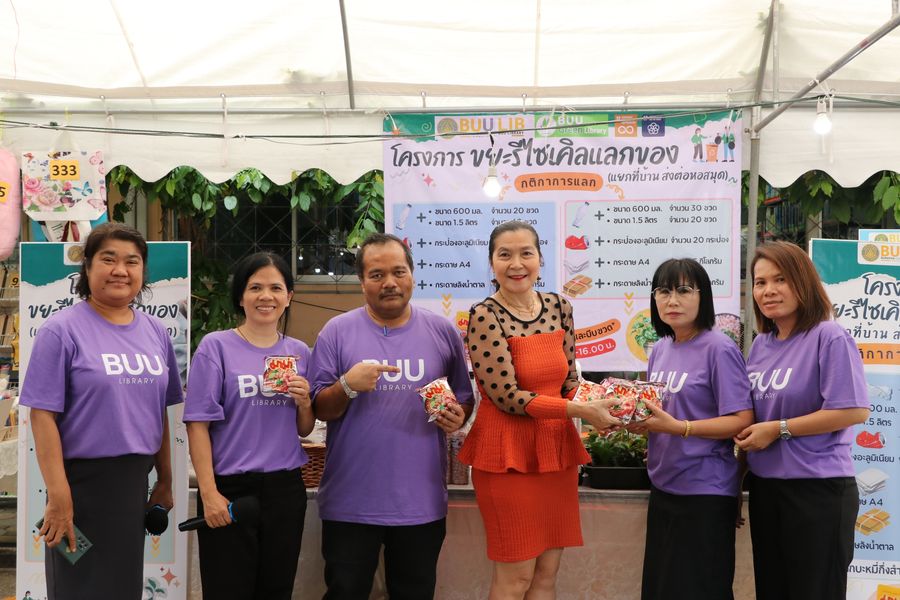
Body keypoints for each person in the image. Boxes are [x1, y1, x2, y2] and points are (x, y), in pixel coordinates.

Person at [458, 220, 621, 599]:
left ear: (540, 259)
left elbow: (569, 382)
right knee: (515, 579)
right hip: (508, 456)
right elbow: (507, 396)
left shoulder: (560, 307)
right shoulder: (485, 315)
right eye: (505, 255)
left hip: (555, 454)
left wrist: (607, 403)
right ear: (492, 263)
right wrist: (581, 411)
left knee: (546, 575)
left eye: (526, 253)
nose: (516, 264)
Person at [20, 223, 182, 599]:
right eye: (108, 259)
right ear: (88, 267)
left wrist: (165, 478)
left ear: (142, 271)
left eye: (132, 261)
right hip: (79, 489)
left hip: (132, 488)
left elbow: (158, 411)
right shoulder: (61, 331)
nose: (120, 270)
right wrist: (59, 497)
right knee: (80, 588)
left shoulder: (156, 332)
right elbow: (42, 416)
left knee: (122, 588)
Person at [309, 232, 474, 600]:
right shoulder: (336, 332)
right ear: (361, 281)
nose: (389, 283)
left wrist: (457, 416)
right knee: (345, 593)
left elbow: (464, 399)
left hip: (420, 502)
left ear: (412, 275)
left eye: (398, 272)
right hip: (350, 502)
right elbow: (318, 408)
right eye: (377, 274)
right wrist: (347, 385)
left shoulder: (443, 331)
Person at [735, 241, 869, 600]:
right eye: (760, 282)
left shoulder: (829, 336)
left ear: (803, 282)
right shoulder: (761, 345)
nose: (768, 290)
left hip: (818, 490)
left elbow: (853, 410)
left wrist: (778, 429)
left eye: (780, 279)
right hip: (766, 490)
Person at [183, 252, 314, 600]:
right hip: (229, 488)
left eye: (276, 288)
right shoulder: (216, 347)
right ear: (240, 296)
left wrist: (305, 401)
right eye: (255, 287)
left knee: (276, 589)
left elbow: (304, 429)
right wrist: (209, 493)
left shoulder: (300, 352)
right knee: (227, 590)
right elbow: (197, 425)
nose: (265, 296)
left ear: (288, 296)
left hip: (285, 490)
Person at [630, 258, 753, 600]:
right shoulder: (661, 349)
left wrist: (680, 428)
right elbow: (663, 414)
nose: (672, 300)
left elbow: (742, 419)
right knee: (662, 588)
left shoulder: (720, 348)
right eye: (663, 291)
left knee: (699, 588)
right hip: (664, 485)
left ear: (704, 297)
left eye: (684, 290)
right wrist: (640, 424)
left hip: (705, 490)